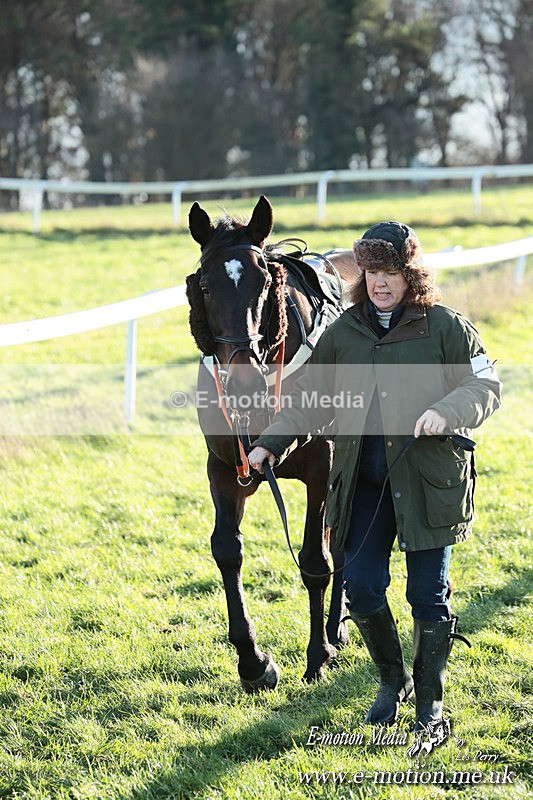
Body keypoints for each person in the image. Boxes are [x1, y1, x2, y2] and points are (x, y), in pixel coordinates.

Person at [247, 221, 501, 730]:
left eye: (391, 272)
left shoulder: (446, 326)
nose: (381, 282)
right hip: (362, 483)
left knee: (427, 596)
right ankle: (393, 679)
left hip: (428, 484)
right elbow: (309, 400)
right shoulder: (344, 332)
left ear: (411, 273)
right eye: (372, 271)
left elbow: (486, 385)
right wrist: (270, 444)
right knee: (360, 588)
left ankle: (430, 696)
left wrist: (449, 411)